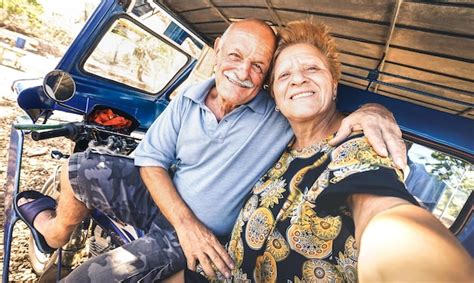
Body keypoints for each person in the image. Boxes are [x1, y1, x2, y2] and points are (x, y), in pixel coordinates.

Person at [15, 19, 409, 282]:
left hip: (198, 237)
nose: (243, 72)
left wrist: (375, 110)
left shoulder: (281, 111)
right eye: (235, 56)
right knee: (79, 168)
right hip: (169, 208)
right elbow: (151, 159)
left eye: (259, 66)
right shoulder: (190, 94)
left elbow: (323, 112)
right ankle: (54, 233)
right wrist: (184, 221)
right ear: (217, 51)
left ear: (266, 79)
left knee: (87, 279)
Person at [182, 19, 471, 282]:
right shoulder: (278, 148)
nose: (298, 79)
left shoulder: (356, 144)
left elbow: (381, 211)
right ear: (277, 101)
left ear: (333, 85)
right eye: (284, 76)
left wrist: (409, 251)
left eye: (312, 68)